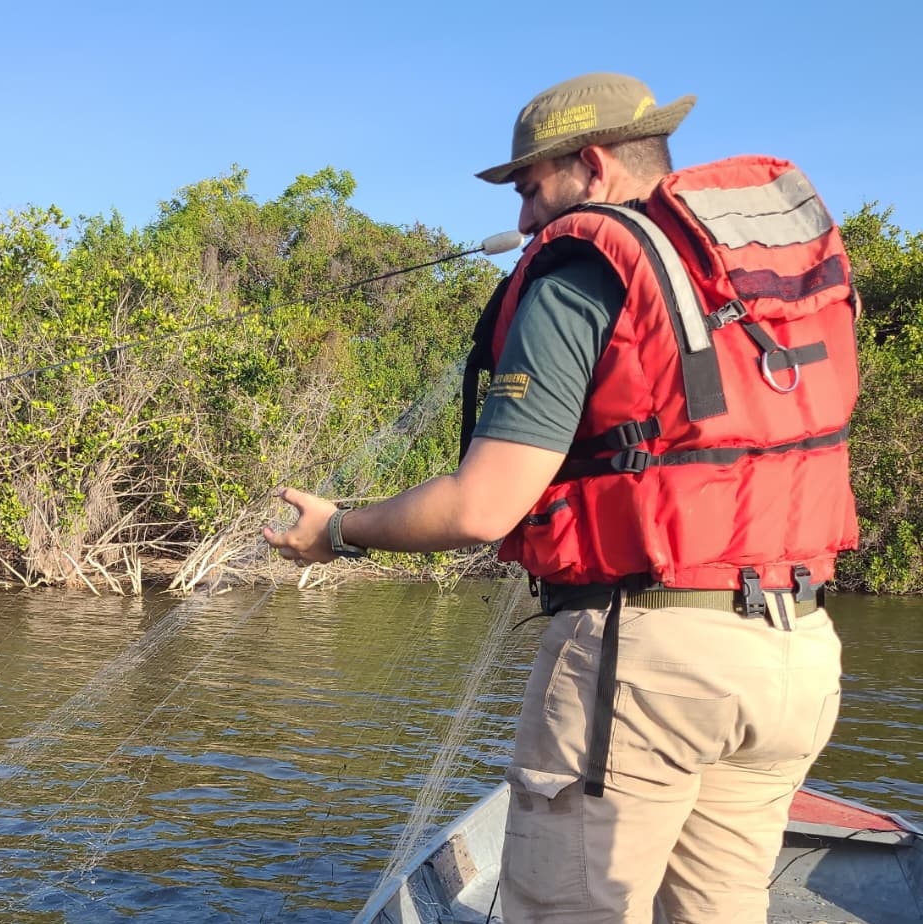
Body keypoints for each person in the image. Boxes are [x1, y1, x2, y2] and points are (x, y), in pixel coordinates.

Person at [262, 72, 858, 924]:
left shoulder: (583, 269)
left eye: (532, 189)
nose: (523, 221)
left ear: (591, 165)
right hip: (797, 658)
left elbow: (483, 507)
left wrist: (340, 530)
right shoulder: (759, 287)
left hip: (651, 662)